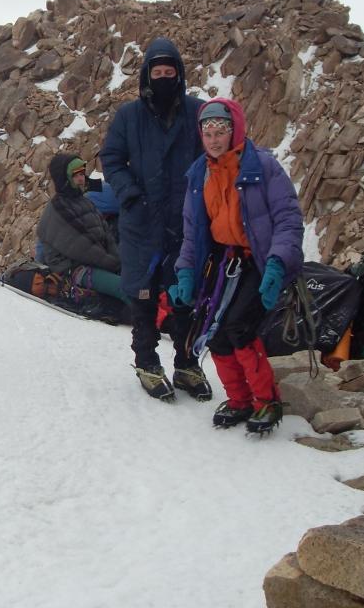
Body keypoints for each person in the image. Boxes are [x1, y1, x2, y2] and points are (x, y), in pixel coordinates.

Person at [168, 97, 304, 434]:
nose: (214, 139)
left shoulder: (262, 166)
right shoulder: (200, 174)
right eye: (208, 132)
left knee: (240, 327)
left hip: (258, 259)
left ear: (235, 130)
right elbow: (192, 231)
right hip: (224, 262)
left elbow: (288, 219)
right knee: (214, 332)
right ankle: (239, 399)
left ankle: (266, 400)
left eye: (221, 131)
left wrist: (276, 264)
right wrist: (185, 272)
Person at [99, 37, 212, 401]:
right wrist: (129, 193)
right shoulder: (129, 117)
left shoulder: (197, 113)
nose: (164, 78)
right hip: (142, 223)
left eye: (170, 72)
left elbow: (213, 156)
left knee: (185, 298)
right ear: (147, 75)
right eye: (157, 72)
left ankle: (186, 363)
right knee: (144, 299)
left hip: (185, 224)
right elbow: (111, 158)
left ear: (179, 75)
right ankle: (148, 362)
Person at [37, 153, 125, 303]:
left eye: (82, 173)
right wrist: (115, 264)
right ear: (64, 178)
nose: (81, 178)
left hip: (97, 263)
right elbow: (84, 249)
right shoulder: (58, 209)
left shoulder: (84, 201)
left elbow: (106, 235)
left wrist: (119, 261)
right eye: (75, 174)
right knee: (126, 288)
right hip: (73, 271)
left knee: (141, 282)